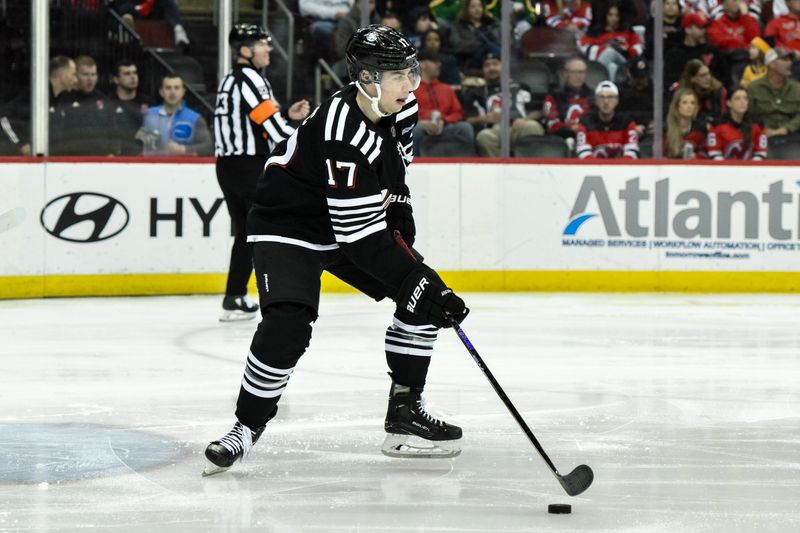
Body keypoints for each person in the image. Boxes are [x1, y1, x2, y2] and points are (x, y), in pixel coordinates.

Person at [204, 25, 469, 475]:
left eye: (412, 72)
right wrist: (415, 279)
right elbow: (360, 239)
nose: (411, 84)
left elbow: (396, 163)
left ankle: (404, 416)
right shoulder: (340, 131)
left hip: (342, 218)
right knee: (289, 322)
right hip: (287, 222)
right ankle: (244, 429)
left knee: (420, 301)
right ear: (367, 79)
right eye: (400, 75)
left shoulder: (400, 105)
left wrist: (400, 204)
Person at [214, 24, 311, 322]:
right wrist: (307, 135)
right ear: (245, 50)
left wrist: (286, 117)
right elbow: (272, 129)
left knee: (247, 233)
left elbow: (261, 120)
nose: (268, 49)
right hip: (248, 165)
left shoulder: (231, 79)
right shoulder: (251, 80)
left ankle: (234, 296)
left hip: (229, 165)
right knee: (268, 229)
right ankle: (281, 295)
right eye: (261, 44)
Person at [462, 51, 544, 157]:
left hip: (519, 128)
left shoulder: (521, 87)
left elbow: (538, 111)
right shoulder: (475, 92)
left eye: (495, 64)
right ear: (483, 71)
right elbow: (468, 120)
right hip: (495, 131)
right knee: (483, 136)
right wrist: (484, 119)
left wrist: (525, 119)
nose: (491, 68)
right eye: (487, 65)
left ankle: (531, 170)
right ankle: (498, 172)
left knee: (532, 126)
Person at [412, 48, 474, 155]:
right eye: (435, 61)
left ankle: (466, 164)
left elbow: (458, 113)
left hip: (445, 127)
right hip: (421, 127)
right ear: (422, 64)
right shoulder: (410, 89)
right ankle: (411, 165)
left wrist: (444, 120)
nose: (439, 64)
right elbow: (402, 115)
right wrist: (420, 123)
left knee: (465, 128)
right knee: (413, 130)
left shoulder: (447, 89)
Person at [139, 74, 212, 156]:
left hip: (184, 167)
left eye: (176, 88)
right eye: (168, 88)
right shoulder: (148, 115)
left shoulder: (194, 118)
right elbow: (134, 144)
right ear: (161, 92)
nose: (172, 92)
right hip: (152, 166)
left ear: (183, 92)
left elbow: (208, 148)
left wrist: (183, 149)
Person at [57, 55, 110, 155]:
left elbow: (112, 129)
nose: (90, 79)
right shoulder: (64, 99)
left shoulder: (103, 100)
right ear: (75, 75)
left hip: (100, 159)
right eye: (85, 74)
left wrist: (112, 152)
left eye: (93, 74)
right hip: (71, 158)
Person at [578, 2, 643, 82]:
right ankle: (610, 87)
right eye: (610, 15)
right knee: (612, 67)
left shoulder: (628, 32)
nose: (613, 18)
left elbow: (638, 50)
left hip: (624, 62)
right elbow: (582, 45)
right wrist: (603, 48)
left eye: (617, 16)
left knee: (610, 52)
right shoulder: (596, 32)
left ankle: (596, 80)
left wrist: (625, 49)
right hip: (603, 62)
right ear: (605, 16)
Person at [663, 11, 729, 90]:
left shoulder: (712, 50)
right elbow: (670, 82)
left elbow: (725, 78)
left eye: (705, 28)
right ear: (688, 29)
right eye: (700, 28)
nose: (704, 31)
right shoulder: (674, 54)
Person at [575, 80, 639, 158]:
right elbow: (584, 155)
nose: (606, 101)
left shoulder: (627, 123)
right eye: (602, 97)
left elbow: (631, 154)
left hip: (620, 169)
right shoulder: (585, 123)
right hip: (593, 170)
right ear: (596, 101)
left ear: (617, 100)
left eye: (610, 97)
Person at [747, 48, 800, 139]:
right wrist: (761, 130)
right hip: (762, 136)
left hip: (792, 136)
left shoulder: (796, 88)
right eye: (784, 60)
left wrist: (786, 128)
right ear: (771, 64)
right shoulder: (754, 87)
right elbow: (748, 114)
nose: (790, 63)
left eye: (790, 60)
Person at [707, 87, 767, 159]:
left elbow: (761, 152)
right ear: (729, 103)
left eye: (745, 98)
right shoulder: (717, 125)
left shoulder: (758, 124)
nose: (742, 102)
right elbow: (714, 152)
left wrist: (750, 168)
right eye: (737, 99)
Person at [108, 60, 153, 156]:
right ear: (116, 79)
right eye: (127, 74)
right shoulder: (108, 103)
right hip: (117, 157)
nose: (133, 77)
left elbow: (157, 130)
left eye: (135, 73)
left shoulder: (148, 102)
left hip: (144, 157)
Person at [542, 57, 594, 139]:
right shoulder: (554, 96)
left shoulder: (594, 96)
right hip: (562, 138)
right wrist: (571, 128)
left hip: (589, 137)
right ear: (565, 74)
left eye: (581, 72)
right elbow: (551, 123)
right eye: (574, 72)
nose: (578, 76)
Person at [448, 0, 501, 69]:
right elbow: (458, 46)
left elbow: (500, 41)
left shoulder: (492, 24)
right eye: (473, 6)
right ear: (466, 9)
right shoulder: (458, 26)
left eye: (480, 6)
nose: (477, 9)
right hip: (472, 59)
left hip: (494, 54)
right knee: (489, 46)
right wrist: (481, 44)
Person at [673, 59, 727, 125]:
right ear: (692, 79)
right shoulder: (682, 92)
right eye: (703, 75)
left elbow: (722, 116)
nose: (708, 78)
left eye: (708, 74)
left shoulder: (719, 90)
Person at [664, 88, 708, 158]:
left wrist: (696, 157)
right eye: (684, 103)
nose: (689, 106)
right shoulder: (665, 128)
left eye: (692, 103)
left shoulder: (700, 129)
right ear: (677, 106)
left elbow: (705, 154)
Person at [48, 56, 77, 155]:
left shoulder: (65, 100)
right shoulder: (36, 97)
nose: (76, 80)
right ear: (62, 75)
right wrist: (21, 143)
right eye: (73, 74)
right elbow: (4, 117)